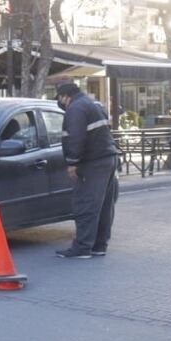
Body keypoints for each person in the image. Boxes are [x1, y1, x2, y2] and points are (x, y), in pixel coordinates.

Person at [55, 82, 119, 259]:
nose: (60, 103)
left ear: (64, 96)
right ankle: (99, 245)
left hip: (92, 163)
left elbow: (76, 137)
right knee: (104, 206)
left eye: (60, 99)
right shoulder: (93, 104)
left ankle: (82, 248)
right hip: (107, 158)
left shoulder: (76, 109)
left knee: (86, 204)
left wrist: (72, 163)